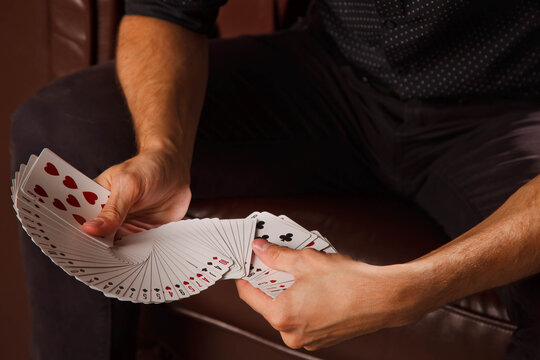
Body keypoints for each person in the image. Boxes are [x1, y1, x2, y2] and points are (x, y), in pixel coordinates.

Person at [11, 0, 540, 359]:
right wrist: (163, 151)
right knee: (63, 128)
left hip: (514, 109)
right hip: (335, 71)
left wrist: (405, 291)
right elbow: (167, 9)